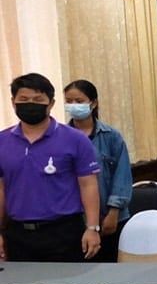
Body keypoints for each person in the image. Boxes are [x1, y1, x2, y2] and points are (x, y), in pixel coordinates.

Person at [0, 73, 102, 262]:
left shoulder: (75, 139)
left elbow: (89, 185)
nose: (30, 104)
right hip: (17, 234)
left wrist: (92, 227)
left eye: (38, 99)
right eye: (23, 99)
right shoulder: (2, 141)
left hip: (63, 232)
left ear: (51, 103)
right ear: (13, 102)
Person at [62, 80, 130, 261]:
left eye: (79, 100)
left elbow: (122, 177)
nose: (73, 105)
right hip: (74, 219)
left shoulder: (111, 136)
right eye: (69, 101)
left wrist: (113, 212)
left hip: (110, 217)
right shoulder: (61, 137)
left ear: (93, 103)